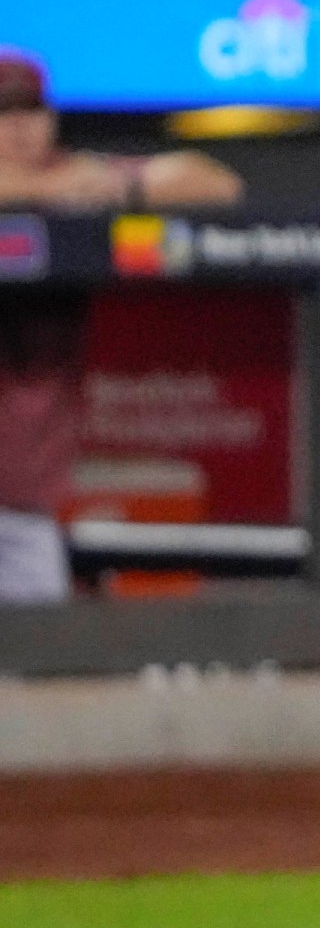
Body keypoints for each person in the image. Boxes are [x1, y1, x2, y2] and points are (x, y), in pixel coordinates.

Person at [0, 49, 240, 604]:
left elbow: (214, 183)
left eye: (31, 111)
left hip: (21, 504)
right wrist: (48, 192)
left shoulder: (76, 177)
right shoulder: (58, 187)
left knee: (38, 652)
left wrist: (115, 188)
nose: (19, 128)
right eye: (3, 114)